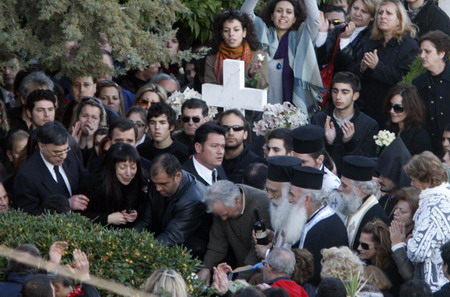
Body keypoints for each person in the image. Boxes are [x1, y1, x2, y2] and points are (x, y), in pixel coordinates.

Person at [241, 0, 322, 113]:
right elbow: (245, 13)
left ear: (294, 19)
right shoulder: (261, 33)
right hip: (263, 110)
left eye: (289, 12)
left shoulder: (302, 37)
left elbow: (314, 20)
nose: (283, 15)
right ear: (272, 16)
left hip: (294, 113)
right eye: (279, 11)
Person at [198, 180, 271, 283]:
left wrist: (239, 280)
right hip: (239, 265)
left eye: (225, 214)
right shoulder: (222, 208)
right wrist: (206, 268)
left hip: (260, 271)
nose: (223, 219)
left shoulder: (261, 203)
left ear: (237, 200)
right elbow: (217, 244)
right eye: (219, 216)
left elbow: (256, 251)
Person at [359, 0, 418, 126]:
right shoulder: (370, 41)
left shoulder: (409, 46)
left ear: (399, 20)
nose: (383, 16)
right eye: (380, 13)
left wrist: (377, 67)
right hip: (368, 109)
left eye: (389, 13)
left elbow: (404, 80)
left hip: (393, 112)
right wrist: (362, 69)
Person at [134, 154, 207, 254]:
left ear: (177, 176)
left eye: (163, 184)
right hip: (163, 243)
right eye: (155, 183)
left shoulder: (193, 200)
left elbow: (173, 237)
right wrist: (128, 240)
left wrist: (139, 251)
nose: (157, 188)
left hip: (190, 252)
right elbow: (145, 221)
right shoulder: (159, 183)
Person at [289, 165, 349, 286]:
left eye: (292, 195)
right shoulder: (311, 217)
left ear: (307, 199)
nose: (289, 200)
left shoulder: (325, 230)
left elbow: (311, 274)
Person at [12, 121, 89, 215]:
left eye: (66, 150)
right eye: (57, 152)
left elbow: (84, 177)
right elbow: (30, 215)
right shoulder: (26, 176)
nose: (64, 156)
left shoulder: (69, 154)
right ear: (41, 147)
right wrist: (66, 204)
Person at [311, 71, 378, 173]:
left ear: (355, 96)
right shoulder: (319, 119)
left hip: (351, 180)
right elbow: (312, 155)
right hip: (322, 177)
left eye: (345, 92)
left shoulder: (369, 125)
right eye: (335, 91)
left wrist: (349, 143)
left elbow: (367, 163)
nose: (338, 97)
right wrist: (328, 143)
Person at [404, 151, 450, 292]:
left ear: (428, 181)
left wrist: (408, 242)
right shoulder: (445, 195)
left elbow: (417, 252)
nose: (411, 184)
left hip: (435, 284)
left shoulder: (434, 206)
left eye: (414, 180)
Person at [79, 143, 146, 228]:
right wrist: (107, 218)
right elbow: (79, 216)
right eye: (122, 167)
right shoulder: (91, 183)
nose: (128, 173)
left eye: (133, 168)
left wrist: (134, 215)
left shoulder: (139, 183)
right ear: (111, 167)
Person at [331, 155, 389, 250]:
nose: (339, 188)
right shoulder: (353, 203)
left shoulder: (376, 217)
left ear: (360, 189)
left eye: (344, 185)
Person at [204, 9, 268, 90]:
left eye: (236, 30)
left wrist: (251, 74)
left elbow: (263, 87)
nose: (231, 34)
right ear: (222, 34)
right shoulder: (212, 59)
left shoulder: (259, 56)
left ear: (244, 32)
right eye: (226, 30)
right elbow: (210, 90)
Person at [316, 0, 380, 76]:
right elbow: (322, 60)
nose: (357, 14)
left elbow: (350, 68)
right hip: (330, 82)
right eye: (355, 8)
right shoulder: (339, 29)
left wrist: (345, 39)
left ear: (372, 17)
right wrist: (322, 33)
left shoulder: (372, 38)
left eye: (364, 11)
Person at [412, 30, 450, 151]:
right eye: (421, 51)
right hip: (428, 147)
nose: (422, 56)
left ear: (441, 53)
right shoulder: (418, 83)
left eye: (427, 51)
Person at [383, 83, 432, 155]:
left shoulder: (419, 136)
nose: (392, 111)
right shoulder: (390, 128)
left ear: (411, 108)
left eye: (398, 108)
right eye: (390, 105)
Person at [290, 125, 341, 195]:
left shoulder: (332, 186)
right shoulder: (289, 176)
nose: (298, 166)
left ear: (320, 159)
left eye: (303, 162)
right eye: (296, 160)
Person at [358, 219, 403, 296]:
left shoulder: (392, 271)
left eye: (364, 246)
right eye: (359, 243)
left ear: (378, 247)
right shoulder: (364, 261)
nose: (359, 248)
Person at [218, 109, 264, 183]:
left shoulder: (256, 164)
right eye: (225, 128)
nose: (231, 133)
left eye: (237, 128)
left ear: (245, 134)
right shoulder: (211, 161)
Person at [182, 122, 227, 186]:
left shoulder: (218, 168)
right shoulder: (184, 178)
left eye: (223, 146)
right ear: (198, 147)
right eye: (214, 146)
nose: (220, 152)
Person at [389, 187, 420, 282]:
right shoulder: (388, 227)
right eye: (396, 208)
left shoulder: (417, 239)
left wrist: (398, 246)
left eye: (402, 211)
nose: (395, 213)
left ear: (415, 215)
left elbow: (410, 276)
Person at [376, 137, 412, 217]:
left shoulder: (408, 206)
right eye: (380, 174)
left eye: (386, 175)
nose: (380, 179)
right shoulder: (384, 200)